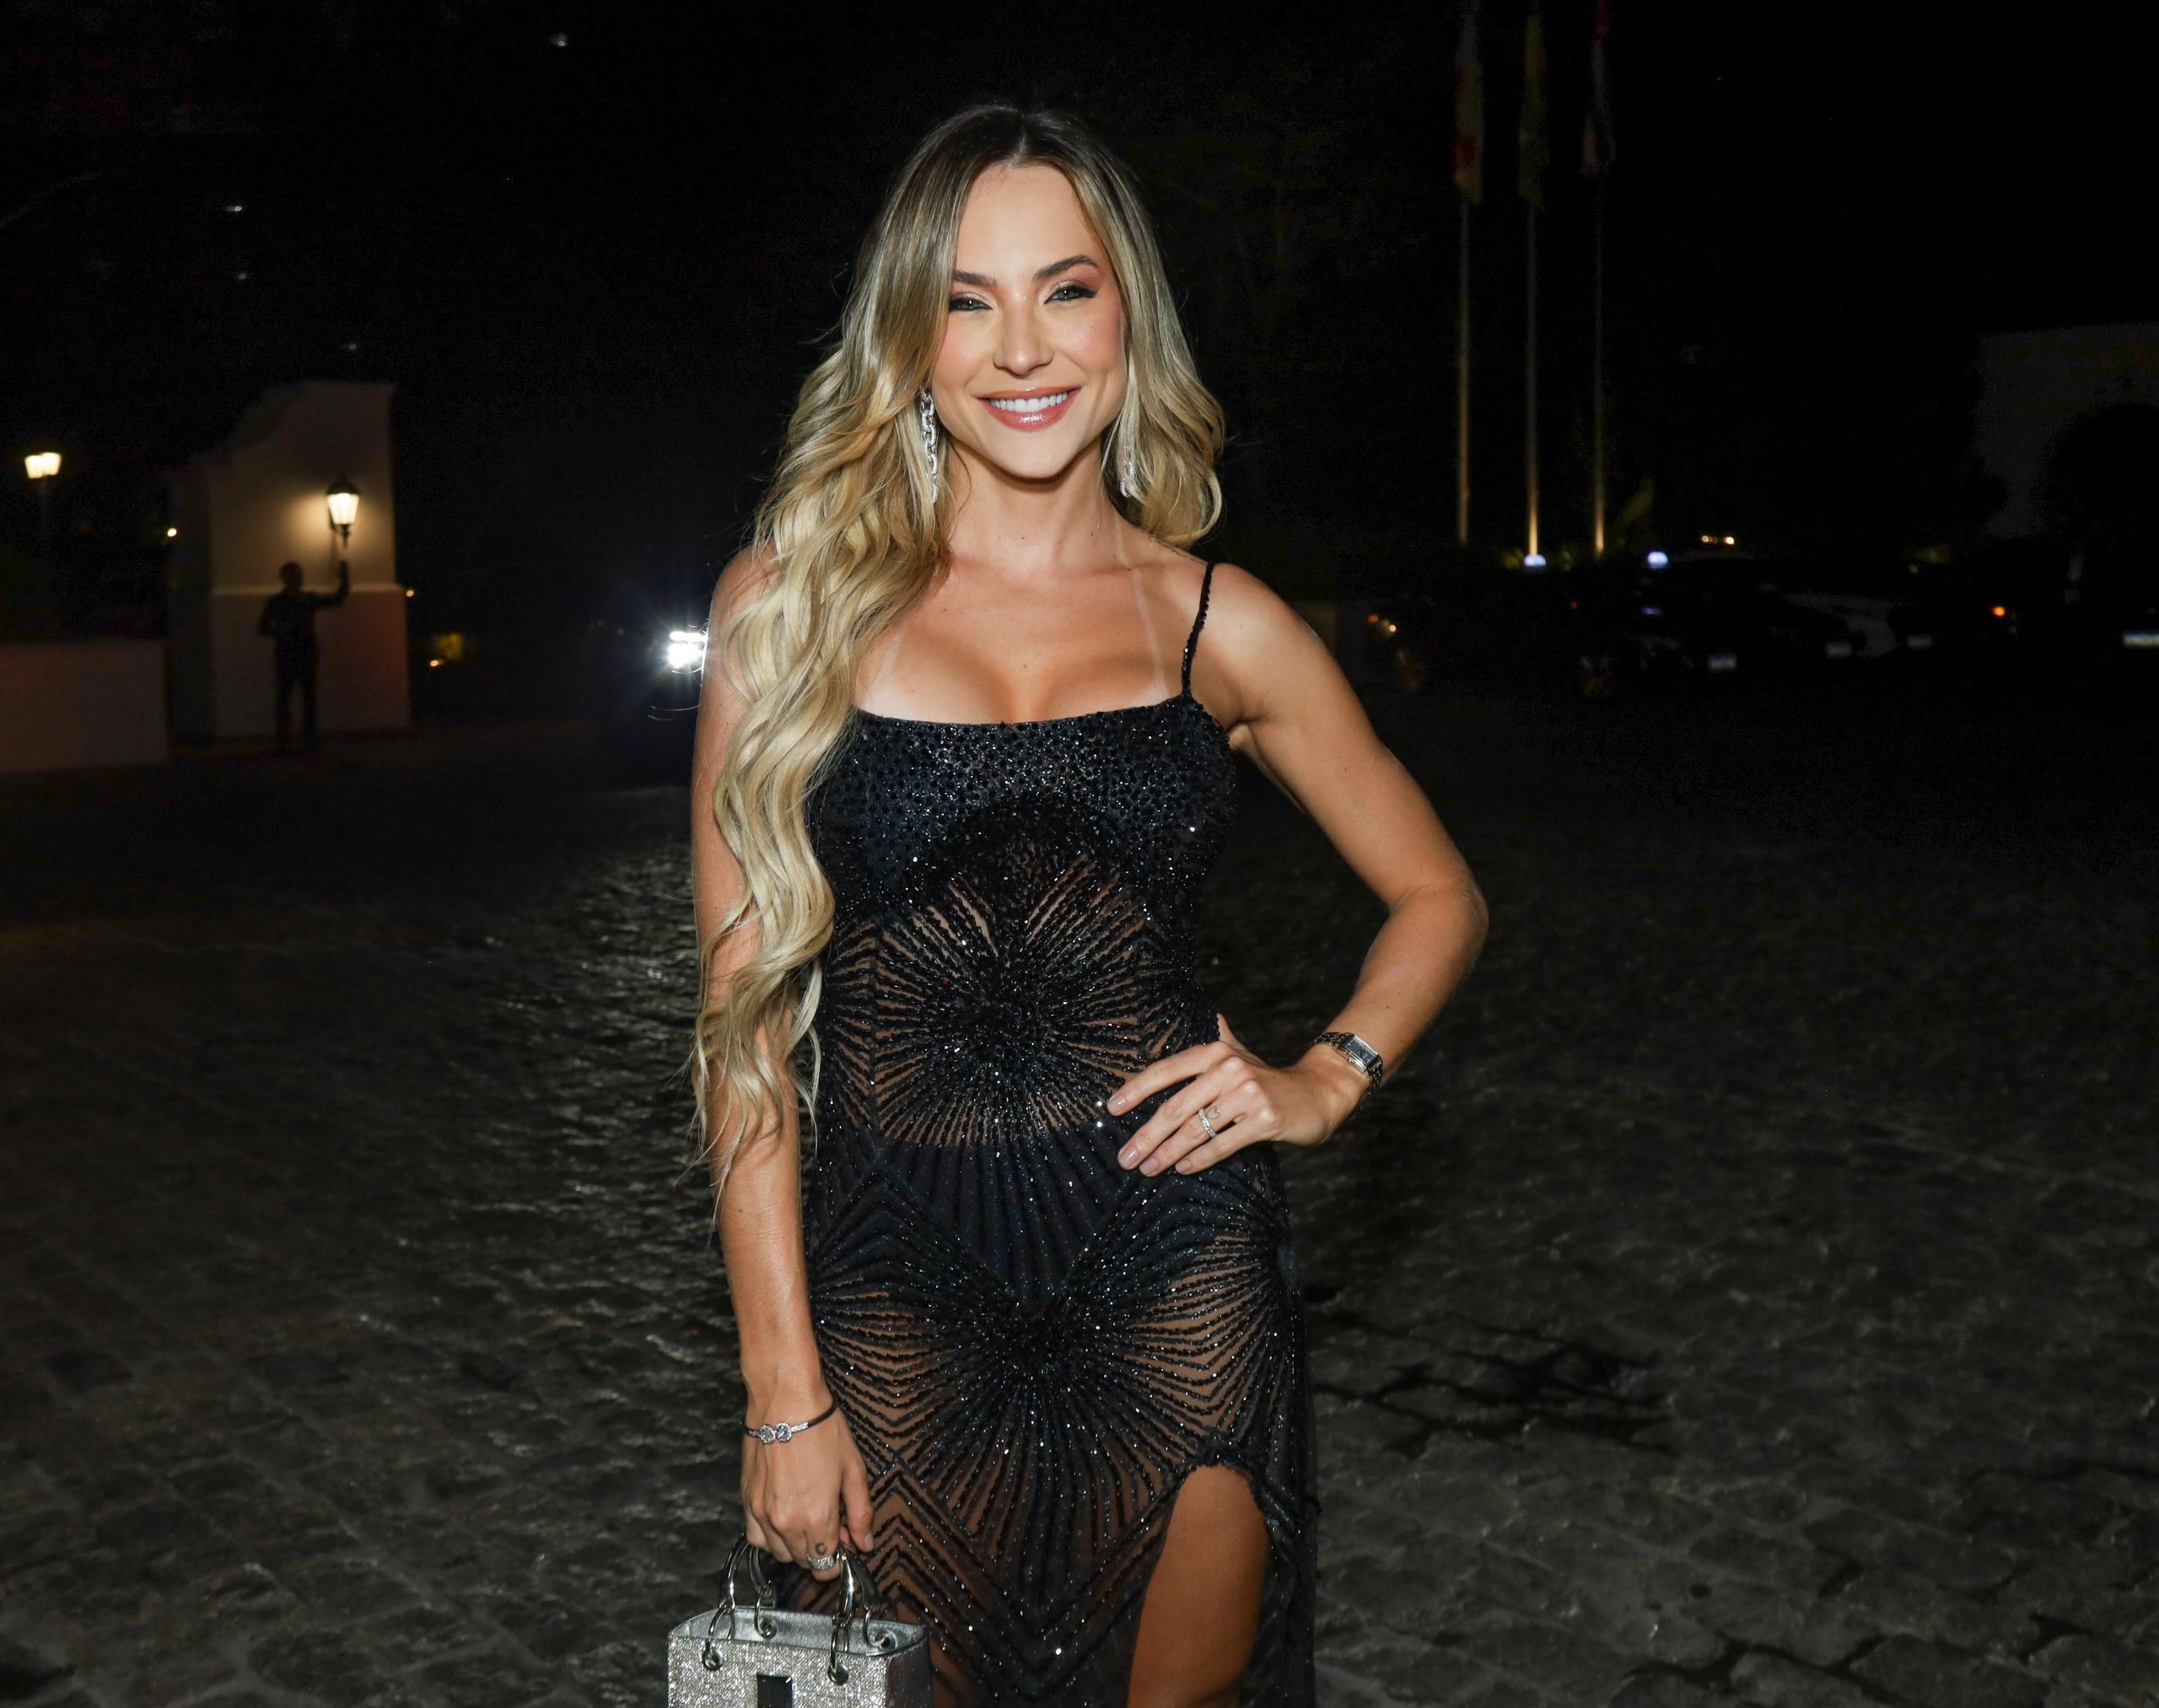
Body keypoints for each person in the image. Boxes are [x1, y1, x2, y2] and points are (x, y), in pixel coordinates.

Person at [689, 105, 1487, 1707]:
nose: (1021, 348)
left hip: (1178, 1276)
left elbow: (1437, 892)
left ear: (1131, 314)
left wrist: (1328, 1077)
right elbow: (744, 1025)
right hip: (891, 1293)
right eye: (966, 300)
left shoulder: (1222, 623)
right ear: (907, 341)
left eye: (1067, 289)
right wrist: (784, 1388)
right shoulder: (788, 604)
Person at [256, 558, 349, 752]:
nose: (297, 578)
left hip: (305, 653)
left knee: (307, 700)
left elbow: (336, 600)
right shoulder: (277, 602)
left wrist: (345, 581)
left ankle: (306, 742)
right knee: (286, 699)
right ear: (284, 578)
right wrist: (282, 633)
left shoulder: (306, 599)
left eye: (298, 575)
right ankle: (285, 742)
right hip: (288, 654)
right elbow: (262, 628)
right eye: (293, 575)